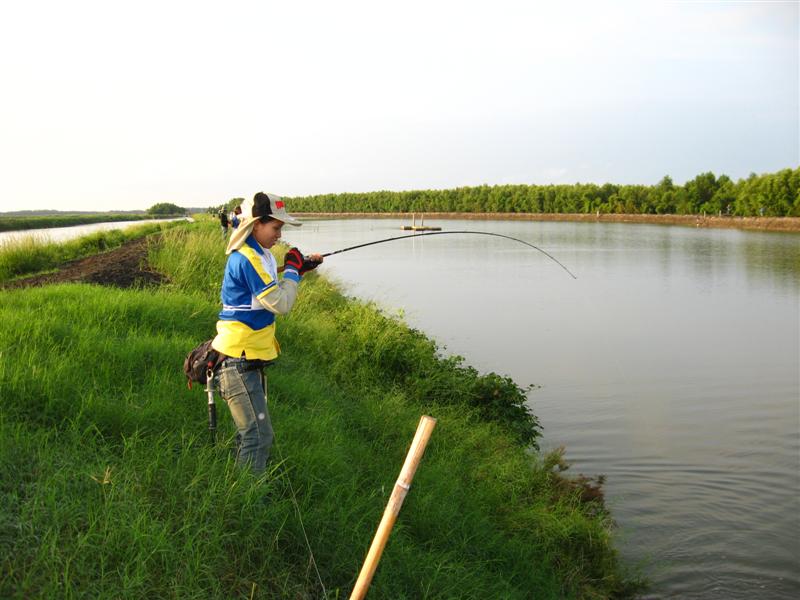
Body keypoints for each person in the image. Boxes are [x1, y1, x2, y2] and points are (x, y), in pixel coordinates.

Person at [211, 192, 322, 474]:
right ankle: (246, 503)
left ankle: (237, 490)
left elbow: (267, 288)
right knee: (258, 436)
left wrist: (299, 269)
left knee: (249, 433)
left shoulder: (262, 255)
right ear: (256, 224)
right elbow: (281, 303)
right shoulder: (248, 257)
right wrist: (293, 274)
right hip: (238, 359)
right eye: (276, 228)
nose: (279, 235)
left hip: (248, 357)